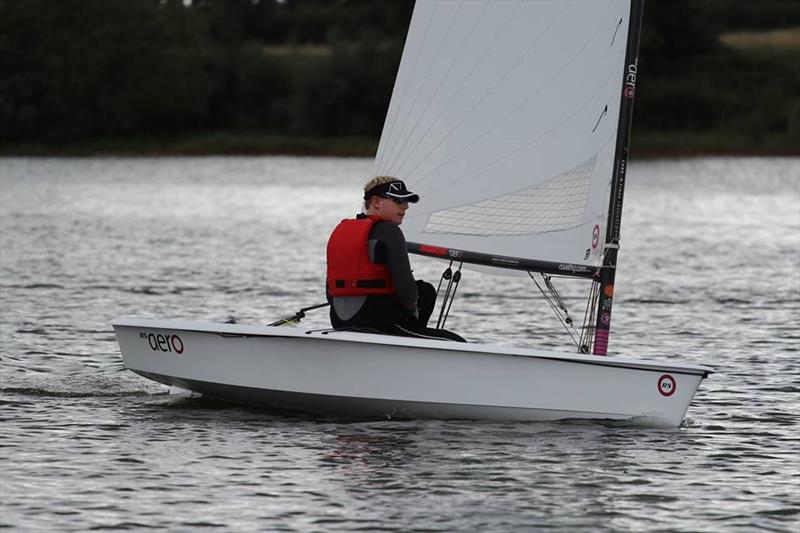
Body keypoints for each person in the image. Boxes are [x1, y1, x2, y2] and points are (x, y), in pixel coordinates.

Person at [326, 176, 465, 342]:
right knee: (455, 340)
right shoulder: (389, 231)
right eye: (398, 200)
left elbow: (330, 293)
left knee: (424, 291)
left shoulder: (341, 230)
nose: (405, 206)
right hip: (378, 324)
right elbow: (407, 292)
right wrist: (413, 314)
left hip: (339, 322)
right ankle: (411, 344)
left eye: (406, 201)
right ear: (376, 202)